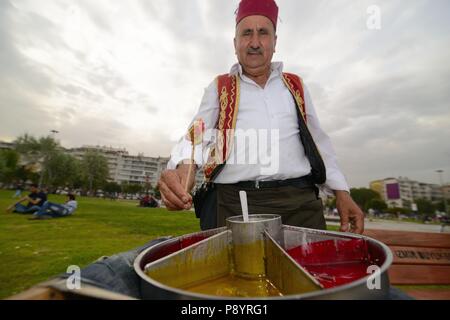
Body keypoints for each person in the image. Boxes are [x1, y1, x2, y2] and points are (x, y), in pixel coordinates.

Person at [158, 0, 365, 234]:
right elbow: (195, 139)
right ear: (235, 43)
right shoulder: (220, 87)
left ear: (274, 42)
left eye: (263, 33)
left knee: (308, 269)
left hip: (300, 205)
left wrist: (341, 192)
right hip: (235, 205)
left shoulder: (295, 86)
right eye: (246, 33)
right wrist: (181, 172)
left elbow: (319, 143)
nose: (254, 42)